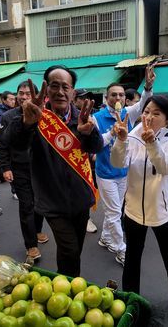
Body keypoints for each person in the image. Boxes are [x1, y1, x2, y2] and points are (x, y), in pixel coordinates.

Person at [4, 65, 103, 276]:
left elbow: (96, 148)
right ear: (46, 90)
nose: (60, 92)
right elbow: (15, 144)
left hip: (80, 197)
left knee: (74, 249)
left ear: (73, 92)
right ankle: (72, 288)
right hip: (51, 200)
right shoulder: (35, 115)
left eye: (65, 87)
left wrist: (89, 133)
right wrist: (27, 123)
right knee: (70, 249)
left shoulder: (83, 117)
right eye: (54, 86)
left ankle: (64, 283)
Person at [111, 94, 168, 321]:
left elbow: (166, 167)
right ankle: (131, 300)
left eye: (156, 113)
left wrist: (152, 143)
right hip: (132, 210)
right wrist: (120, 141)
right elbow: (117, 163)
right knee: (132, 259)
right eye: (147, 111)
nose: (149, 117)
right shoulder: (132, 135)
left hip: (162, 213)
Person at [91, 66, 155, 266]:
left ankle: (105, 238)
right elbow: (96, 144)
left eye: (120, 94)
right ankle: (121, 249)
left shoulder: (128, 112)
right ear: (107, 97)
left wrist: (148, 86)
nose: (117, 97)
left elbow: (144, 102)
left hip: (123, 172)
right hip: (105, 172)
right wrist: (112, 132)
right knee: (113, 212)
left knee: (115, 209)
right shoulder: (97, 118)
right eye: (113, 95)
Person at [0, 81, 49, 261]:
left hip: (40, 168)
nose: (25, 97)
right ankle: (31, 244)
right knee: (26, 205)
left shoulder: (45, 114)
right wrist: (5, 167)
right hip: (19, 168)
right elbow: (2, 143)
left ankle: (38, 230)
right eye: (21, 93)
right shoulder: (8, 116)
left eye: (29, 93)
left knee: (39, 203)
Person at [73, 88, 99, 234]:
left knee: (87, 190)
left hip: (86, 162)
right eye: (82, 98)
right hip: (69, 162)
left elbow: (98, 141)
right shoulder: (64, 117)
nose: (85, 102)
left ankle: (86, 218)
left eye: (87, 99)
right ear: (74, 99)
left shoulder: (91, 116)